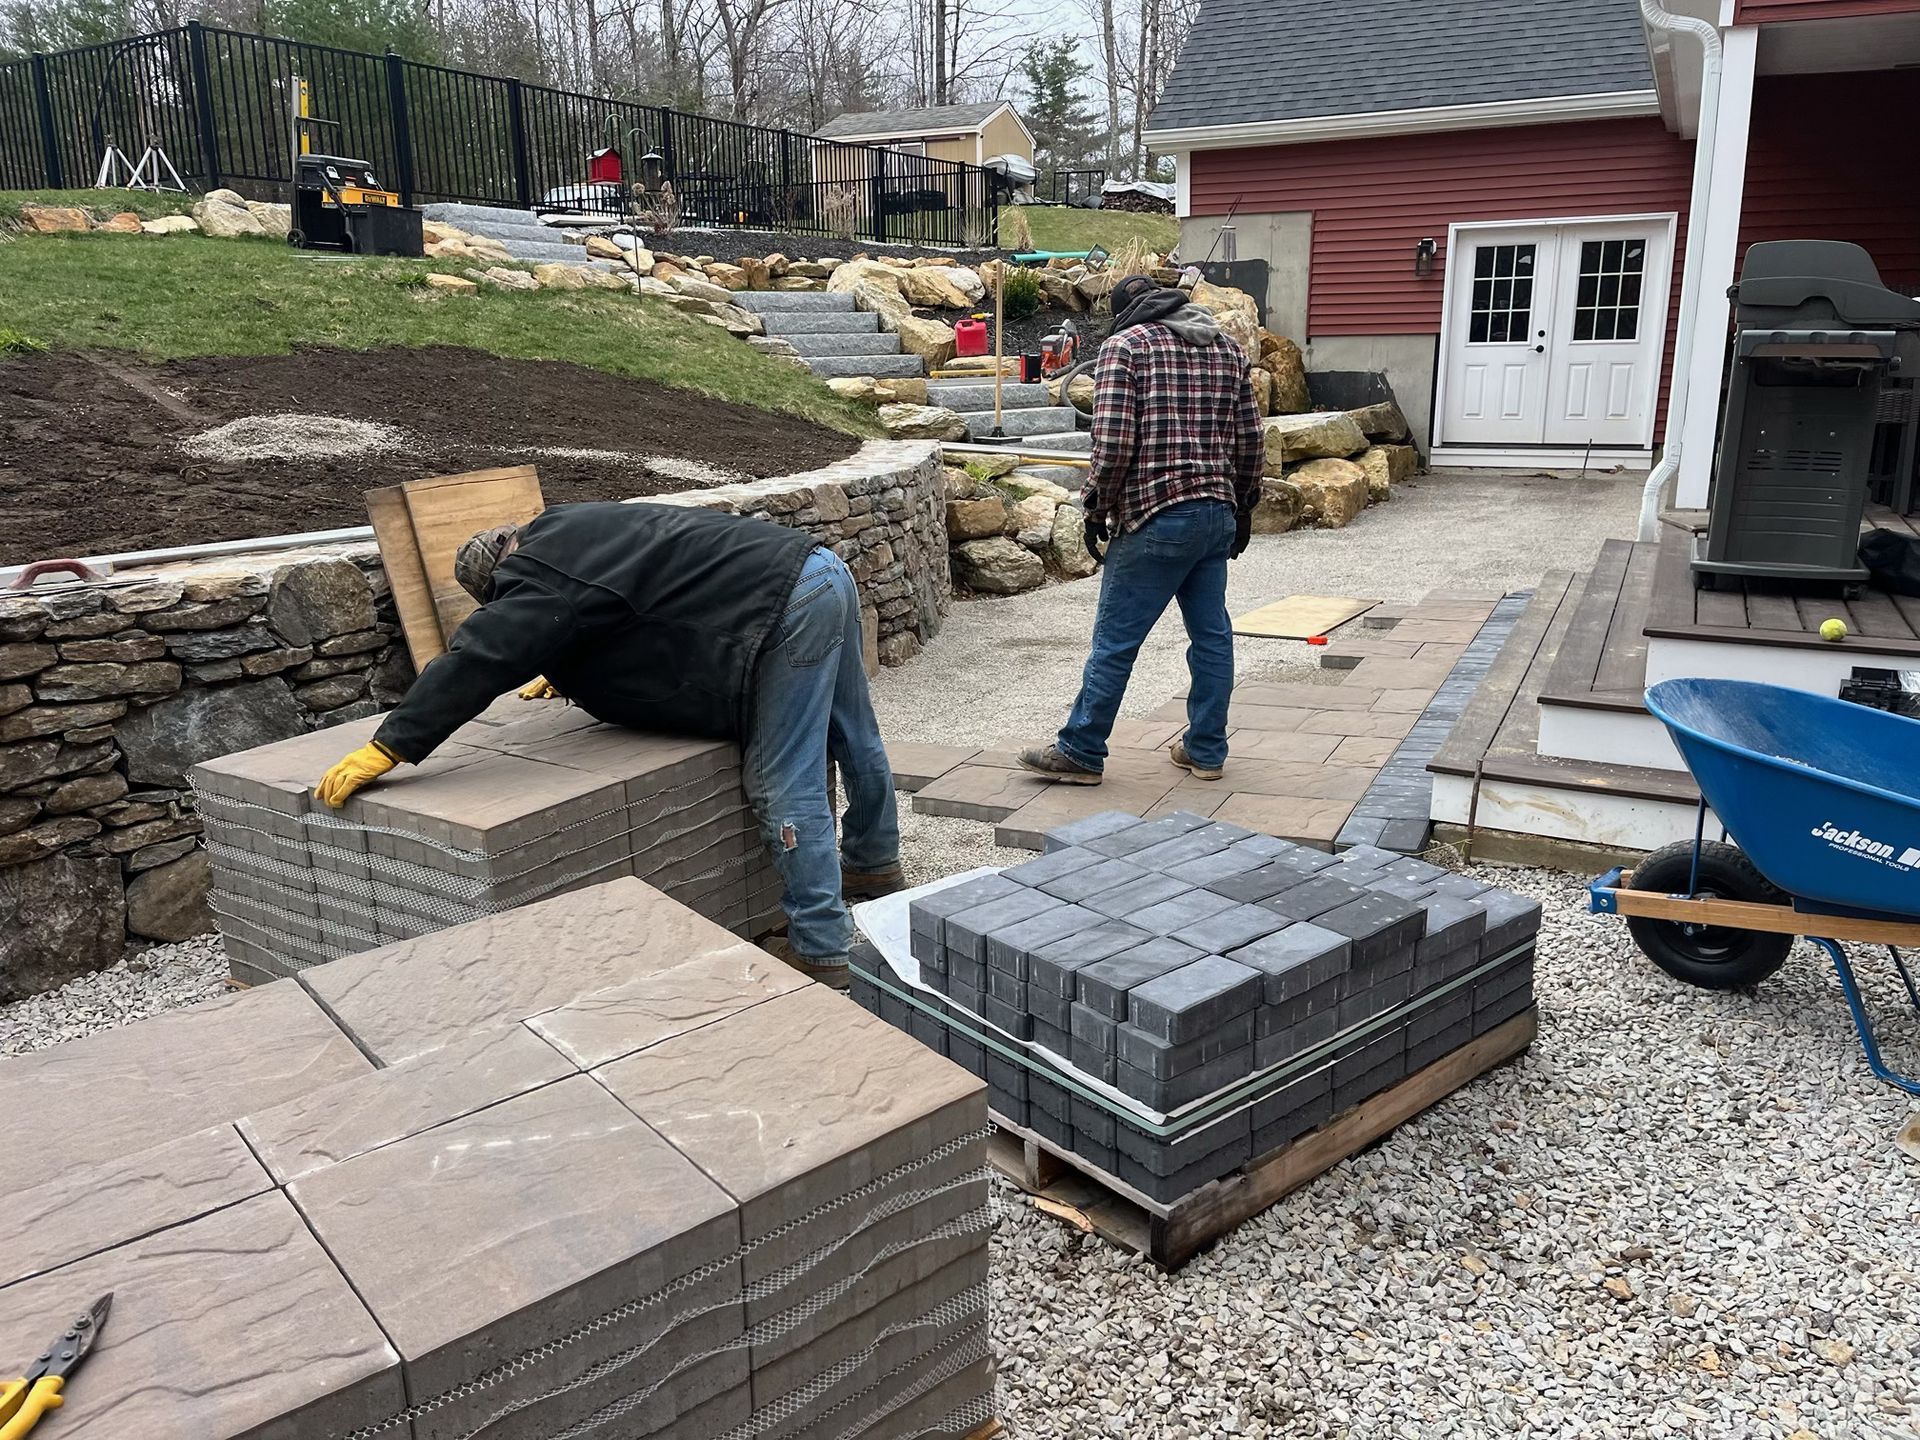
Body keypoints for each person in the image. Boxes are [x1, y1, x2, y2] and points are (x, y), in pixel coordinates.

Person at [315, 502, 901, 988]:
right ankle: (874, 864)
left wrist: (393, 743)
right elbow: (635, 612)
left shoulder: (538, 575)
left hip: (786, 607)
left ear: (499, 574)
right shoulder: (573, 529)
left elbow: (486, 654)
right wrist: (562, 662)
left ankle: (822, 951)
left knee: (782, 779)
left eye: (500, 597)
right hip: (820, 571)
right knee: (853, 733)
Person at [1020, 275, 1264, 786]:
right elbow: (1249, 441)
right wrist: (1243, 509)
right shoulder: (1227, 349)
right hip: (1216, 513)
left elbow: (1111, 447)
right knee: (1213, 637)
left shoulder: (1126, 348)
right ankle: (1206, 750)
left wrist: (1094, 509)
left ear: (1127, 311)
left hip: (1155, 517)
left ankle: (1081, 750)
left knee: (1116, 641)